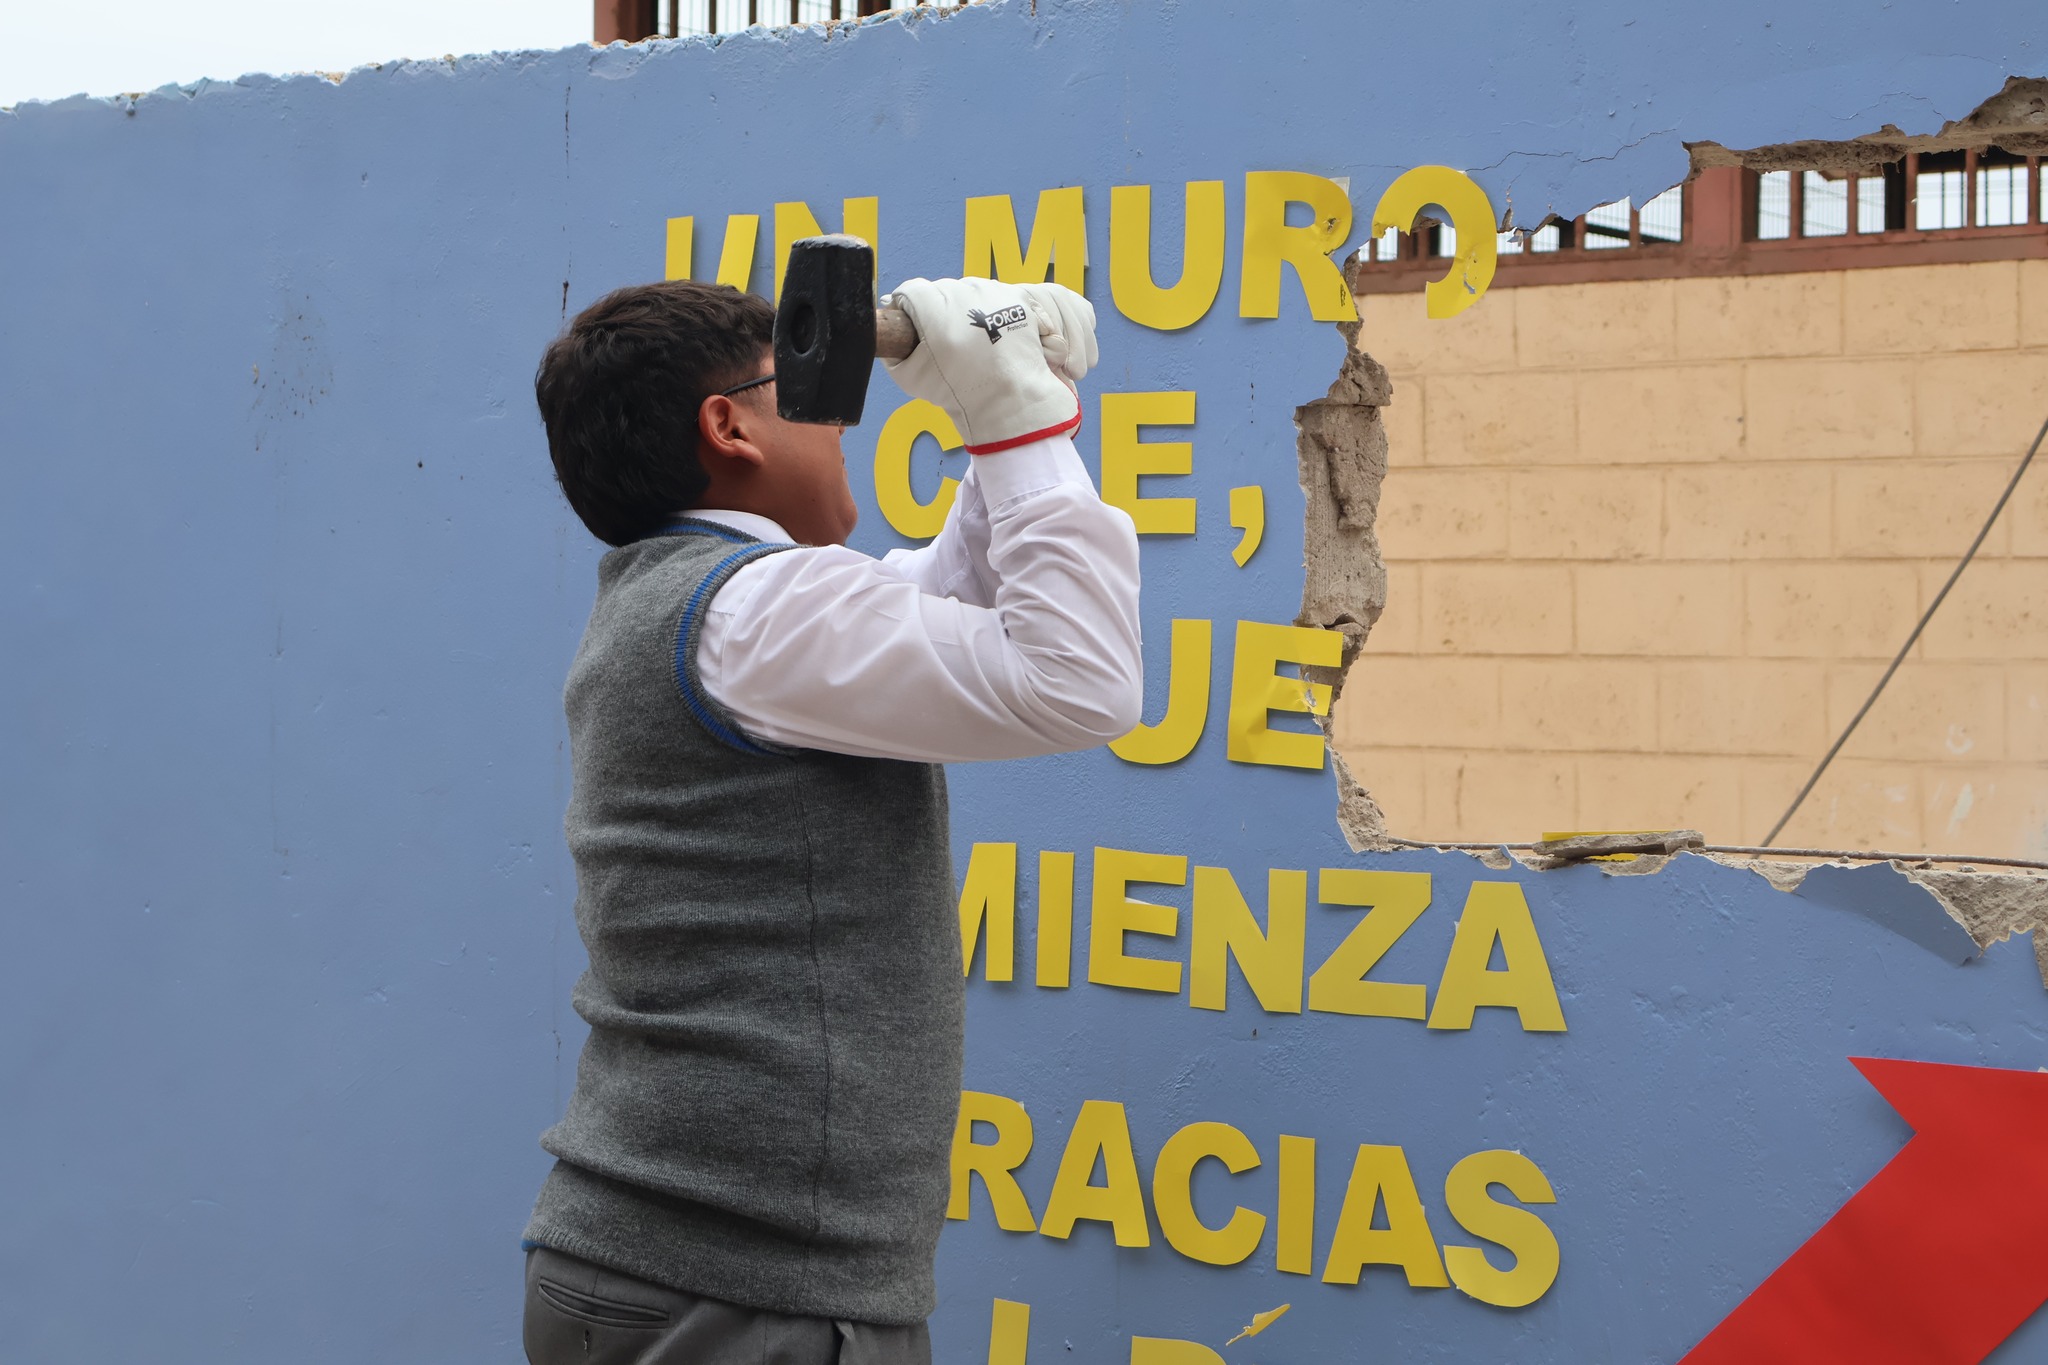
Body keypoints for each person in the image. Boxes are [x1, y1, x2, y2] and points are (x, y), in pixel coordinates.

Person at [519, 273, 1143, 1365]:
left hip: (675, 1269)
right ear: (730, 428)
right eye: (811, 387)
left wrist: (1002, 409)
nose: (846, 418)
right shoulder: (757, 608)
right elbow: (1078, 680)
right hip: (743, 1292)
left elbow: (955, 605)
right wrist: (1015, 423)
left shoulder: (708, 600)